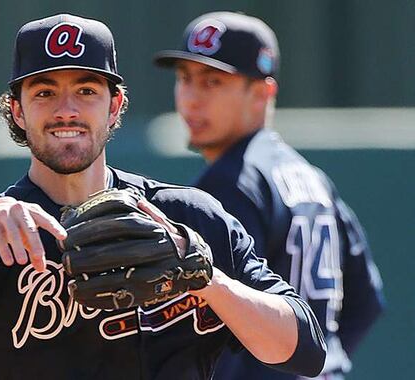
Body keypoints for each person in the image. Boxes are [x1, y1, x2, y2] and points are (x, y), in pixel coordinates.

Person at [0, 13, 326, 380]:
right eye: (44, 92)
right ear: (17, 110)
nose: (66, 110)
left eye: (86, 90)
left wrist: (205, 276)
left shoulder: (185, 219)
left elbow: (303, 349)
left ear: (114, 106)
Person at [154, 11, 384, 380]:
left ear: (262, 93)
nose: (191, 99)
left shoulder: (233, 182)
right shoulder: (311, 178)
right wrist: (320, 365)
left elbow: (208, 320)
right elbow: (367, 299)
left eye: (213, 82)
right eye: (185, 79)